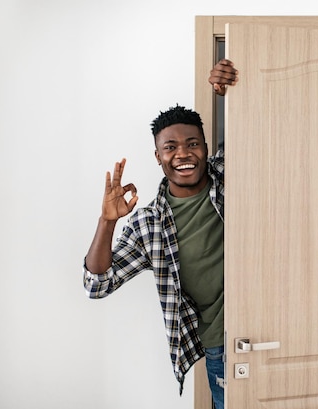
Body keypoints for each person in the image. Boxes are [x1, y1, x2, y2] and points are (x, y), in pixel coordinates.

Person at [83, 59, 238, 409]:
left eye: (192, 143)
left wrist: (226, 90)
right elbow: (96, 285)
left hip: (273, 324)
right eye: (171, 147)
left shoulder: (228, 174)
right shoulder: (148, 224)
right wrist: (107, 222)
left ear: (205, 148)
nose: (183, 153)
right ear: (158, 156)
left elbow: (260, 124)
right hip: (221, 345)